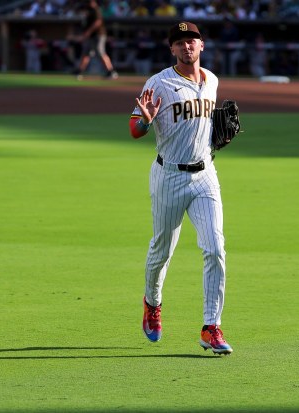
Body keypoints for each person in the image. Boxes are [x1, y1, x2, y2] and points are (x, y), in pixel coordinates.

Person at [129, 21, 233, 355]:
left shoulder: (212, 80)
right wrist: (145, 120)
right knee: (162, 250)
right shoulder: (159, 83)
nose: (187, 46)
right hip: (168, 176)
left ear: (202, 46)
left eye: (193, 41)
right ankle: (152, 303)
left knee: (215, 248)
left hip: (206, 175)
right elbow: (134, 129)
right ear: (172, 49)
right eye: (181, 42)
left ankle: (211, 327)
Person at [73, 0, 118, 79]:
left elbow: (98, 22)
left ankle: (111, 71)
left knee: (100, 52)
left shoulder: (96, 10)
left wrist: (88, 32)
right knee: (86, 53)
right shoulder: (88, 9)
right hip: (91, 36)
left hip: (98, 35)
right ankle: (79, 71)